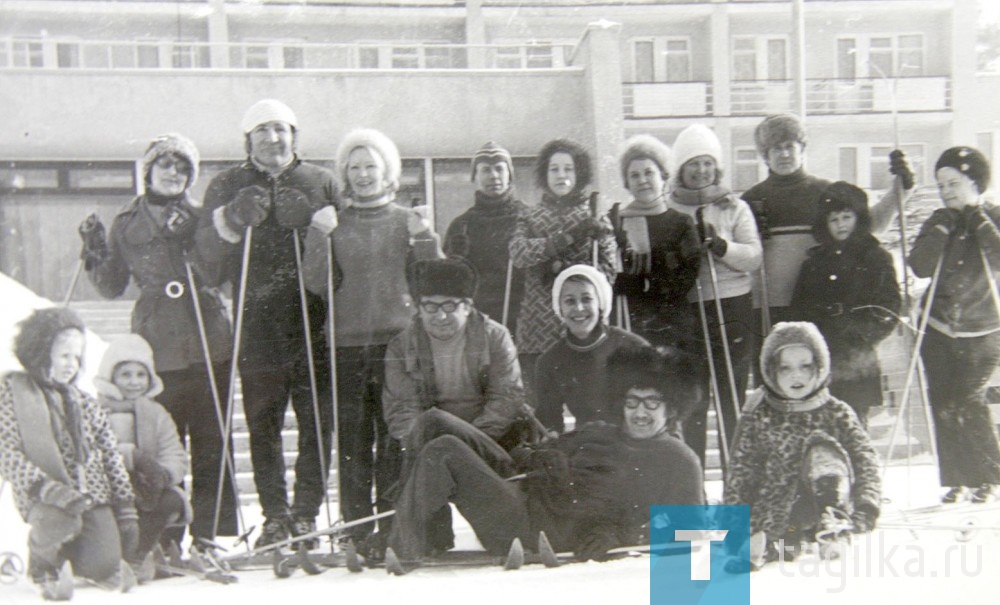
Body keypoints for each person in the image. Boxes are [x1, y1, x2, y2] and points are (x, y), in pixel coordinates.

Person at [387, 344, 704, 564]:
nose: (639, 413)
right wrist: (537, 455)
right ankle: (416, 529)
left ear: (672, 408)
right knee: (433, 421)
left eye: (652, 403)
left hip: (538, 529)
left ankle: (402, 546)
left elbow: (690, 532)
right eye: (632, 402)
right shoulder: (599, 430)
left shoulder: (678, 459)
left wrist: (620, 536)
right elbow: (527, 453)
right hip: (524, 493)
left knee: (444, 451)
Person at [79, 133, 237, 549]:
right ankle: (166, 535)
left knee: (211, 440)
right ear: (148, 170)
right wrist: (94, 250)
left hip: (207, 339)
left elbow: (218, 273)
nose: (174, 173)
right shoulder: (127, 222)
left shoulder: (205, 216)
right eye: (166, 165)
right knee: (161, 441)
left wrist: (193, 235)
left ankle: (208, 535)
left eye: (183, 167)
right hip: (157, 344)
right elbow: (111, 286)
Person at [195, 99, 339, 548]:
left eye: (281, 129)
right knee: (263, 422)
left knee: (317, 421)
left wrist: (317, 227)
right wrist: (231, 218)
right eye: (262, 131)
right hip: (257, 321)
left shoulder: (321, 180)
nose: (273, 139)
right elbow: (207, 263)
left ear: (294, 135)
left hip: (311, 317)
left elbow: (346, 253)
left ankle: (306, 514)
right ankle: (275, 514)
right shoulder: (226, 183)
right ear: (248, 139)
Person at [302, 127, 443, 546]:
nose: (363, 174)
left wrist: (425, 237)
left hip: (397, 345)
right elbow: (315, 282)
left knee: (394, 438)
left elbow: (431, 280)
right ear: (345, 172)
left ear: (388, 172)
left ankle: (391, 524)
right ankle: (354, 528)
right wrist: (317, 234)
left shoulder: (405, 219)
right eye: (355, 167)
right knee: (352, 440)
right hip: (345, 344)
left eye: (371, 166)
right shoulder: (335, 221)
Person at [379, 257, 526, 558]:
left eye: (450, 306)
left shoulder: (494, 336)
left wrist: (467, 441)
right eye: (430, 306)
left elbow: (507, 397)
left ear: (468, 306)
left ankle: (400, 538)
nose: (440, 316)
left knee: (435, 424)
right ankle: (426, 534)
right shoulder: (401, 345)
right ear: (418, 308)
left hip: (489, 437)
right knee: (423, 429)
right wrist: (423, 441)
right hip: (429, 441)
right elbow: (401, 407)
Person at [743, 113, 914, 362]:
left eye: (790, 146)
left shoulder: (825, 192)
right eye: (775, 148)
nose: (784, 154)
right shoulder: (751, 200)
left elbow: (869, 224)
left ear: (802, 149)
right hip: (769, 308)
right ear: (765, 156)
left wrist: (902, 187)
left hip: (819, 306)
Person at [0, 308, 138, 599]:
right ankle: (42, 563)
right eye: (63, 356)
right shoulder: (13, 394)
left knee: (105, 564)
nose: (71, 365)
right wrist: (48, 489)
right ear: (40, 353)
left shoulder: (83, 402)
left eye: (76, 358)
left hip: (91, 496)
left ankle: (77, 553)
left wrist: (124, 503)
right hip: (46, 496)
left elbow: (110, 453)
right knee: (60, 520)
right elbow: (7, 453)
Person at [724, 322, 881, 570]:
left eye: (805, 366)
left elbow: (865, 459)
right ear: (771, 371)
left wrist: (867, 505)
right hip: (781, 511)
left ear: (819, 367)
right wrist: (736, 522)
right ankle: (771, 548)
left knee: (822, 449)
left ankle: (832, 531)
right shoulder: (762, 415)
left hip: (827, 501)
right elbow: (742, 470)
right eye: (785, 368)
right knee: (788, 544)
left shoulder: (836, 412)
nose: (796, 375)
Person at [908, 146, 1000, 504]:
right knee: (943, 401)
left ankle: (989, 476)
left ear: (975, 183)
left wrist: (977, 221)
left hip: (984, 328)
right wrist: (941, 230)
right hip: (939, 326)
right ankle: (958, 479)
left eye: (954, 183)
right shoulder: (937, 220)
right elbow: (919, 266)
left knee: (970, 400)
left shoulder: (993, 216)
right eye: (941, 184)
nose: (946, 191)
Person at [665, 124, 762, 466]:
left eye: (707, 163)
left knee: (731, 397)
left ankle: (734, 491)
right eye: (693, 164)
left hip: (732, 306)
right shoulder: (669, 208)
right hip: (690, 310)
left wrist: (720, 245)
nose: (701, 171)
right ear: (681, 169)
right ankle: (695, 497)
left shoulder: (733, 206)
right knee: (693, 401)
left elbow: (753, 256)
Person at [509, 138, 617, 395]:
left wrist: (571, 272)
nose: (561, 175)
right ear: (544, 174)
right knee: (541, 404)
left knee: (591, 401)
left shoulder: (594, 217)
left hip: (583, 322)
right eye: (554, 169)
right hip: (538, 326)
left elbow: (609, 270)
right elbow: (518, 253)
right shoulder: (529, 216)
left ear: (578, 173)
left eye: (568, 169)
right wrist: (561, 242)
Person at [789, 181, 900, 428]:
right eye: (834, 219)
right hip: (822, 356)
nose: (841, 225)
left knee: (854, 428)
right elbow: (799, 308)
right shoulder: (815, 262)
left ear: (858, 218)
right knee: (820, 426)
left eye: (847, 217)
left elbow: (890, 306)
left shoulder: (875, 257)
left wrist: (862, 333)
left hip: (857, 356)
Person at [94, 334, 192, 578]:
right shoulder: (96, 409)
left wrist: (163, 473)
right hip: (107, 486)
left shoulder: (156, 413)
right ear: (111, 376)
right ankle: (107, 556)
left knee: (170, 499)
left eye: (141, 375)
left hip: (145, 487)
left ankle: (137, 555)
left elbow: (174, 452)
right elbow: (90, 451)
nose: (134, 382)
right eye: (125, 375)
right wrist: (131, 456)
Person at [534, 264, 649, 434]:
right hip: (590, 446)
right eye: (570, 301)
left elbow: (664, 411)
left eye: (587, 299)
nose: (579, 308)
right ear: (560, 308)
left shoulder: (634, 348)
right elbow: (550, 423)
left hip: (638, 443)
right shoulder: (550, 361)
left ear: (600, 304)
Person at [612, 134, 701, 351]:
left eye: (648, 172)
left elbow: (689, 272)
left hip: (672, 320)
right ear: (627, 183)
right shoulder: (617, 221)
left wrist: (648, 286)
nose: (642, 180)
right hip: (630, 319)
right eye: (634, 175)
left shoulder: (681, 223)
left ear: (663, 176)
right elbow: (607, 269)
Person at [443, 141, 529, 333]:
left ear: (510, 175)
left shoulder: (529, 219)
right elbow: (447, 284)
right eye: (485, 170)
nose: (494, 176)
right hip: (477, 322)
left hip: (523, 320)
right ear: (475, 177)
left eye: (499, 168)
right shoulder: (461, 225)